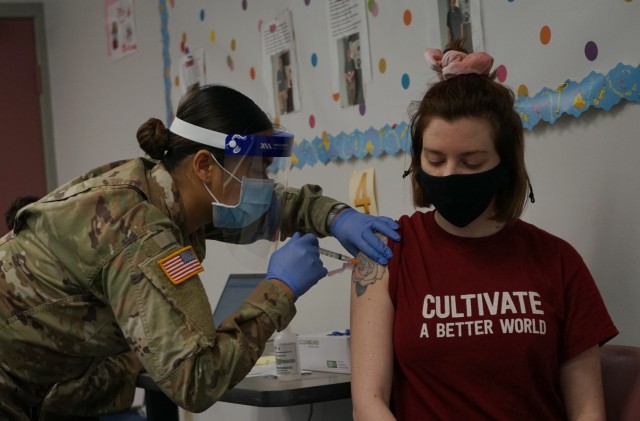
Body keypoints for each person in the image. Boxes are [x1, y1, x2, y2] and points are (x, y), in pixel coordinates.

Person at [0, 84, 400, 420]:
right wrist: (278, 290)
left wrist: (335, 216)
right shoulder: (139, 230)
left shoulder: (167, 190)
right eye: (257, 169)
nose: (265, 182)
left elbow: (276, 205)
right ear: (205, 165)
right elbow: (194, 380)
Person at [349, 41, 618, 420]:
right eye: (435, 160)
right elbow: (368, 403)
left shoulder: (558, 261)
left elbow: (588, 409)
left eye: (471, 162)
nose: (448, 175)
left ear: (505, 163)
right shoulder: (385, 253)